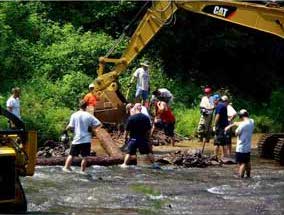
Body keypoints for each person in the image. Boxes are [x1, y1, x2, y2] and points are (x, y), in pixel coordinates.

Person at [63, 100, 101, 173]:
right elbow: (98, 124)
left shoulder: (74, 115)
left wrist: (64, 130)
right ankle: (82, 171)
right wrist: (92, 128)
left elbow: (70, 126)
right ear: (86, 107)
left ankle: (66, 168)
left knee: (71, 155)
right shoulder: (89, 115)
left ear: (79, 106)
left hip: (77, 139)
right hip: (86, 140)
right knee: (85, 157)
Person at [120, 103, 154, 168]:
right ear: (141, 109)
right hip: (143, 138)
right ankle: (154, 164)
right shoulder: (146, 117)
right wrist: (148, 138)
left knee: (128, 153)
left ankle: (124, 164)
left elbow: (127, 130)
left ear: (135, 108)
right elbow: (149, 130)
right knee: (149, 152)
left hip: (133, 139)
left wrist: (125, 138)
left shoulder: (131, 118)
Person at [225, 109, 254, 178]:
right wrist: (232, 124)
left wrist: (231, 126)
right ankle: (248, 176)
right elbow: (242, 122)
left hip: (241, 147)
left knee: (242, 163)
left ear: (241, 116)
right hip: (248, 147)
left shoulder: (242, 125)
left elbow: (236, 133)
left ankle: (240, 178)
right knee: (247, 161)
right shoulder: (252, 121)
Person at [212, 94, 229, 158]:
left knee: (217, 142)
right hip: (224, 126)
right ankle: (223, 156)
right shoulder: (223, 105)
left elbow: (217, 116)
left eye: (214, 101)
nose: (213, 102)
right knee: (223, 142)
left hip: (220, 126)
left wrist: (214, 125)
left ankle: (215, 155)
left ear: (216, 100)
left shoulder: (219, 106)